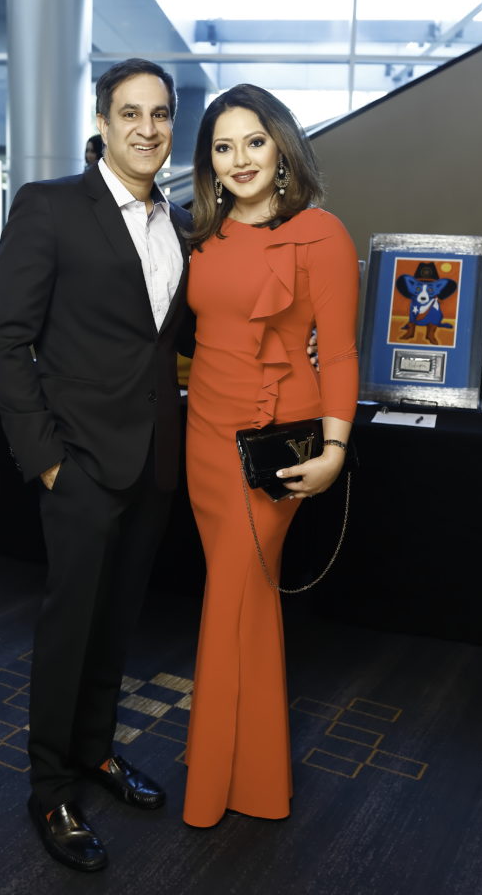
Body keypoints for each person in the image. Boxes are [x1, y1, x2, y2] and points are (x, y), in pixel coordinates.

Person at [0, 59, 191, 873]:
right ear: (102, 121)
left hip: (153, 464)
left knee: (117, 624)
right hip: (76, 463)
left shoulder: (176, 221)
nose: (147, 127)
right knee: (69, 628)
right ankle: (49, 789)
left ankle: (97, 752)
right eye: (130, 112)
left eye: (161, 113)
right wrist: (44, 461)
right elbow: (6, 341)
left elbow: (158, 343)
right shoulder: (50, 207)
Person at [182, 84, 359, 828]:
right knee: (242, 602)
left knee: (234, 592)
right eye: (223, 147)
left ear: (281, 145)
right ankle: (246, 766)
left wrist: (336, 449)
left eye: (253, 141)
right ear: (209, 164)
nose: (240, 158)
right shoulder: (204, 235)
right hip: (204, 436)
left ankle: (217, 784)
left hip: (271, 443)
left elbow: (342, 355)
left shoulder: (320, 234)